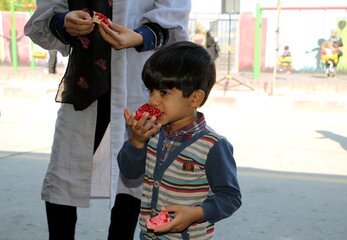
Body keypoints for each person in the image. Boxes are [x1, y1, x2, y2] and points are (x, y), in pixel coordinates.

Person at [24, 1, 191, 240]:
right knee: (63, 178)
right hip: (84, 85)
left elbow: (174, 14)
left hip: (136, 82)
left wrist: (140, 36)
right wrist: (64, 22)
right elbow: (47, 16)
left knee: (132, 182)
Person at [118, 41, 242, 239]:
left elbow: (230, 197)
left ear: (194, 98)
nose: (153, 101)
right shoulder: (151, 133)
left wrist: (196, 213)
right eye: (151, 91)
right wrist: (137, 142)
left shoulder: (213, 146)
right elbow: (129, 172)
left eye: (164, 93)